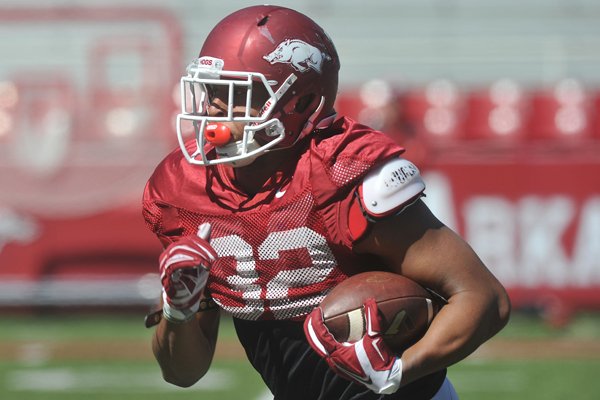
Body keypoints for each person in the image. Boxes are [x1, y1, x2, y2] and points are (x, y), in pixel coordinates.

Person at [142, 5, 511, 400]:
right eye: (213, 91)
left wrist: (400, 370)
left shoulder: (342, 174)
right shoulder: (186, 193)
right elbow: (183, 373)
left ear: (299, 104)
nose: (215, 110)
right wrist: (178, 312)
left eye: (239, 94)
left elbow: (483, 297)